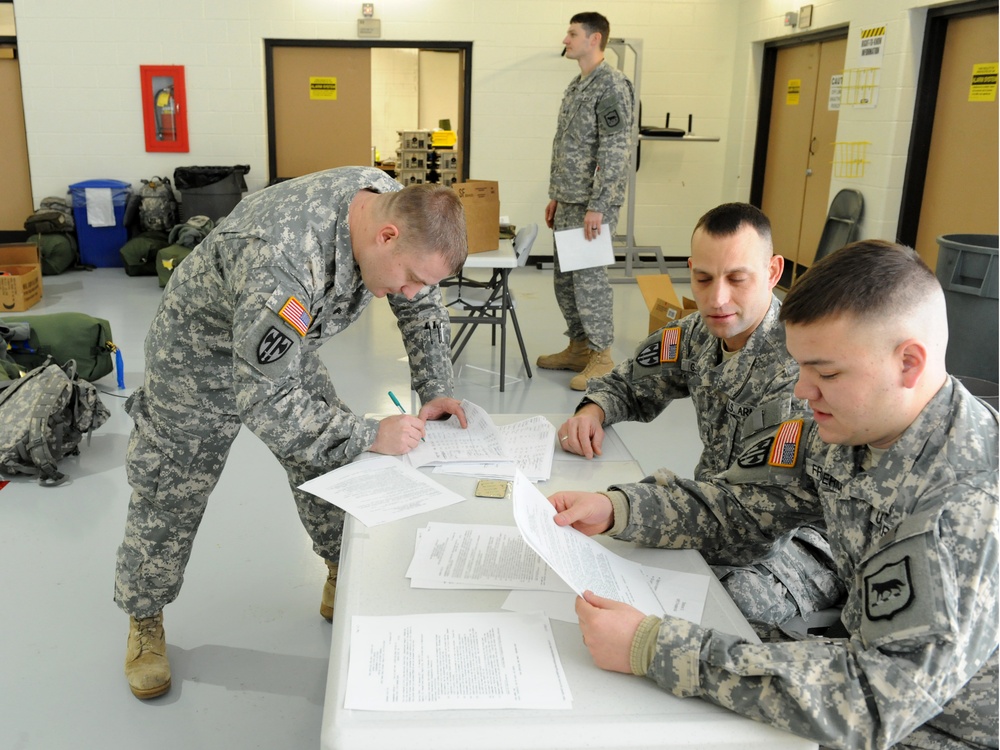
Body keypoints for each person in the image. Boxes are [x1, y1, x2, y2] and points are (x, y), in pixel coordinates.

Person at [548, 240, 998, 749]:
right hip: (860, 669)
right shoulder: (851, 429)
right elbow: (741, 506)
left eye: (826, 373)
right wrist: (618, 508)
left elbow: (873, 701)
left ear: (909, 364)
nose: (802, 391)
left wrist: (655, 647)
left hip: (936, 730)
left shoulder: (967, 505)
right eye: (801, 367)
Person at [116, 167, 470, 700]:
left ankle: (337, 568)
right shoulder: (281, 258)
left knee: (329, 461)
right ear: (387, 237)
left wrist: (437, 385)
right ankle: (145, 618)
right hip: (197, 357)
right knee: (172, 488)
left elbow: (420, 302)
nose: (413, 290)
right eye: (412, 276)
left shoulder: (395, 207)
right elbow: (268, 405)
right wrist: (369, 433)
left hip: (283, 343)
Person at [558, 203, 843, 636]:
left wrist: (624, 507)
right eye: (703, 278)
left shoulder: (798, 368)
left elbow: (749, 516)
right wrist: (593, 410)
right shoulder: (697, 334)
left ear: (772, 271)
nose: (717, 299)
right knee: (641, 572)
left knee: (713, 607)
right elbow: (628, 382)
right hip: (710, 511)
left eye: (736, 279)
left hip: (799, 540)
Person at [537, 11, 635, 391]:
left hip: (590, 206)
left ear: (594, 39)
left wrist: (600, 205)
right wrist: (557, 197)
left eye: (572, 33)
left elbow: (615, 150)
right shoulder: (578, 85)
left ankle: (601, 355)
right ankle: (578, 347)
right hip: (569, 202)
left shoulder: (610, 86)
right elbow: (569, 146)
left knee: (589, 282)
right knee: (566, 281)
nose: (566, 39)